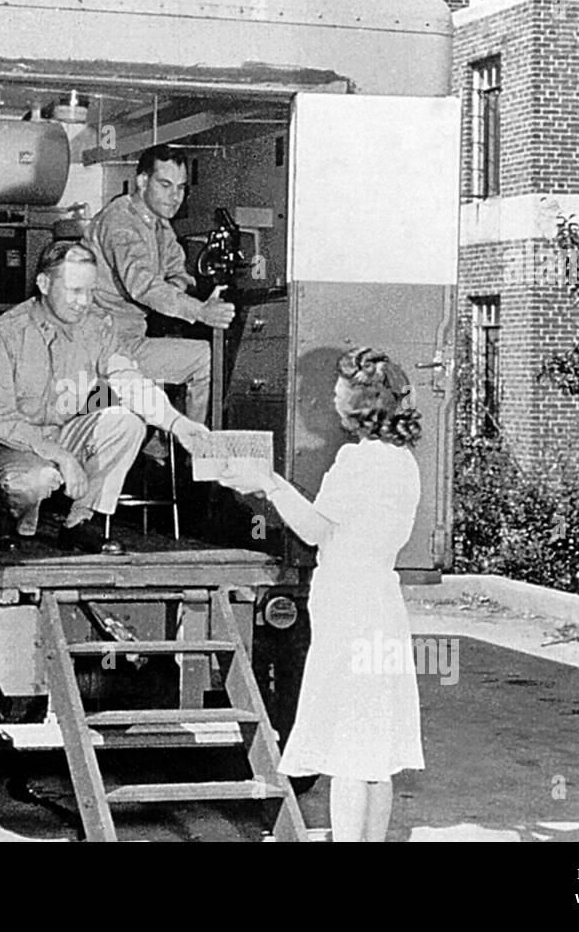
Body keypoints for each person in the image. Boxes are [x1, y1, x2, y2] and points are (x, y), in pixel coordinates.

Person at [217, 347, 425, 842]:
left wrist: (267, 483)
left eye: (338, 388)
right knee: (375, 750)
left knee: (349, 747)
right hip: (381, 601)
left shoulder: (355, 461)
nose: (330, 395)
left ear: (359, 404)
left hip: (348, 605)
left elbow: (314, 530)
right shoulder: (403, 462)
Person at [0, 240, 210, 555]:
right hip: (9, 444)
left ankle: (79, 522)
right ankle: (3, 518)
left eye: (89, 292)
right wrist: (63, 458)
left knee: (126, 423)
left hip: (61, 433)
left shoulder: (97, 326)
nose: (83, 302)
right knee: (35, 480)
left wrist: (178, 423)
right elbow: (0, 421)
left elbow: (130, 381)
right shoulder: (2, 335)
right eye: (74, 291)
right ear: (44, 284)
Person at [82, 144, 236, 444]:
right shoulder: (120, 221)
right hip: (100, 350)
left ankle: (174, 449)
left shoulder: (158, 225)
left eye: (180, 187)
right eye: (165, 185)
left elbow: (177, 271)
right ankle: (189, 450)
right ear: (142, 181)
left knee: (206, 357)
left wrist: (178, 289)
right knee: (204, 358)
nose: (174, 196)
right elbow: (142, 284)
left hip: (129, 342)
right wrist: (199, 311)